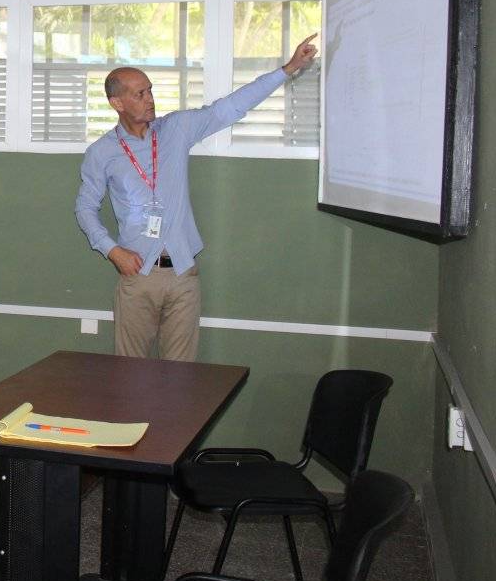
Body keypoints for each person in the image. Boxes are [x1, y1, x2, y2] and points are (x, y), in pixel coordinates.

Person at [75, 34, 319, 361]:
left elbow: (229, 108)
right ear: (117, 103)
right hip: (138, 276)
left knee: (180, 377)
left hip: (183, 275)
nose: (150, 99)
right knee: (130, 374)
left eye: (150, 91)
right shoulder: (102, 152)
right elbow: (85, 208)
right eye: (140, 94)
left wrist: (288, 69)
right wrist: (112, 250)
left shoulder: (177, 129)